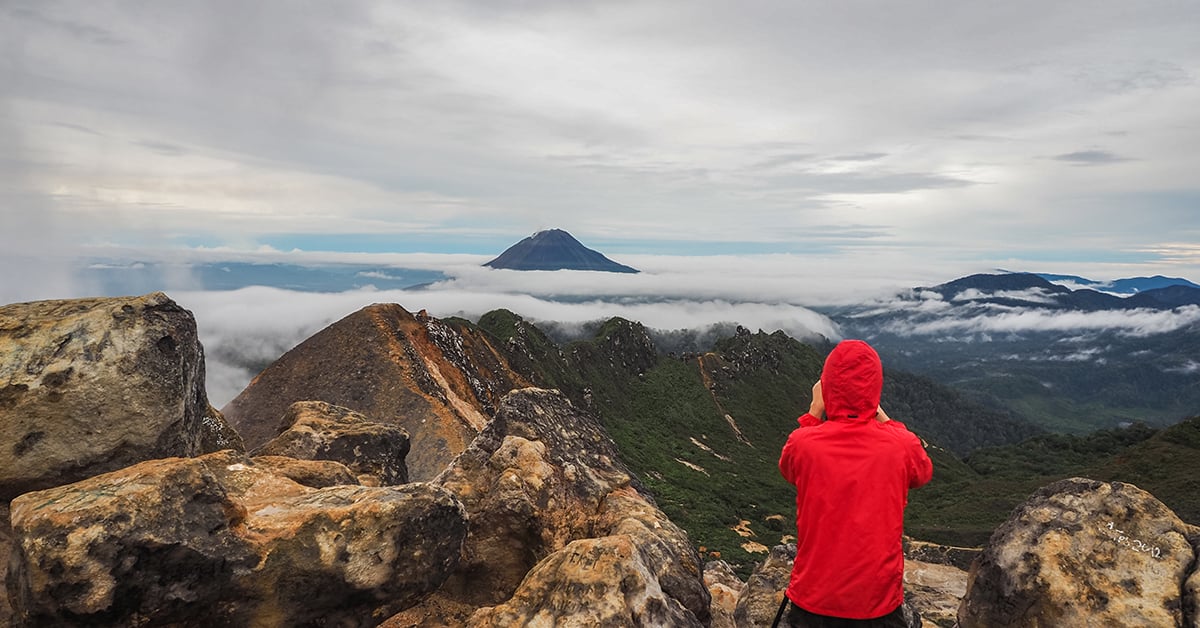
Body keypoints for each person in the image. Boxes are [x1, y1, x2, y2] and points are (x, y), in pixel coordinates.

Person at [776, 339, 933, 627]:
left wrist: (814, 411)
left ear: (827, 389)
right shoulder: (901, 446)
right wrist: (879, 414)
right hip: (877, 603)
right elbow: (922, 472)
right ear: (876, 387)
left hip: (813, 599)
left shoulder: (804, 443)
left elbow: (788, 468)